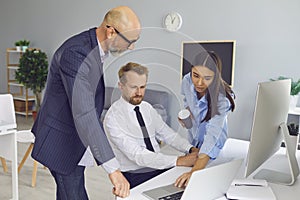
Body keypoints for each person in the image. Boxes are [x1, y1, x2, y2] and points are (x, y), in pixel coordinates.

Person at [31, 6, 141, 199]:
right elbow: (84, 112)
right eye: (130, 41)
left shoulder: (94, 48)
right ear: (111, 31)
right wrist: (113, 170)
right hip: (61, 142)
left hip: (74, 140)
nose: (131, 47)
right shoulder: (75, 54)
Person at [103, 62, 198, 188]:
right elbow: (137, 155)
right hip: (135, 174)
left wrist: (190, 149)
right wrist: (179, 160)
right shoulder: (112, 118)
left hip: (159, 166)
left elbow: (167, 134)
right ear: (121, 86)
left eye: (142, 87)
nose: (139, 92)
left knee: (191, 185)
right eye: (133, 87)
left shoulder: (147, 108)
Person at [175, 51, 236, 188]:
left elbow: (212, 137)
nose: (199, 83)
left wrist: (195, 172)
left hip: (213, 146)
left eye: (207, 78)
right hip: (194, 141)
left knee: (205, 184)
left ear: (215, 77)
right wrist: (188, 111)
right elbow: (187, 99)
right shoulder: (186, 81)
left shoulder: (222, 100)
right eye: (195, 75)